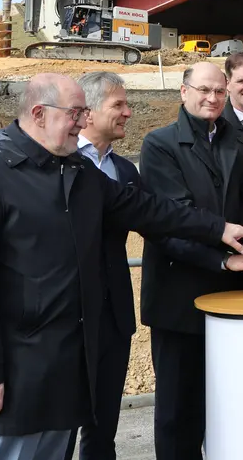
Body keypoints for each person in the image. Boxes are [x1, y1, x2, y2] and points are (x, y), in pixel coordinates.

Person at [0, 73, 243, 460]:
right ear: (39, 113)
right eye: (75, 113)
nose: (82, 122)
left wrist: (221, 229)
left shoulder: (74, 171)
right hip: (18, 370)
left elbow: (149, 210)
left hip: (64, 364)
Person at [139, 61, 243, 460]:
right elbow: (168, 222)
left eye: (219, 92)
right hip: (179, 299)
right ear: (183, 92)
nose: (212, 98)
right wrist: (222, 258)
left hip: (233, 297)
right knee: (179, 412)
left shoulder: (239, 141)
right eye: (203, 90)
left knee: (231, 406)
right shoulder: (160, 145)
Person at [74, 71, 142, 460]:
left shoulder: (126, 172)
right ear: (88, 111)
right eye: (119, 104)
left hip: (114, 319)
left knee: (102, 434)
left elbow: (159, 222)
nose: (128, 112)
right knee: (58, 431)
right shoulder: (58, 162)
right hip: (68, 319)